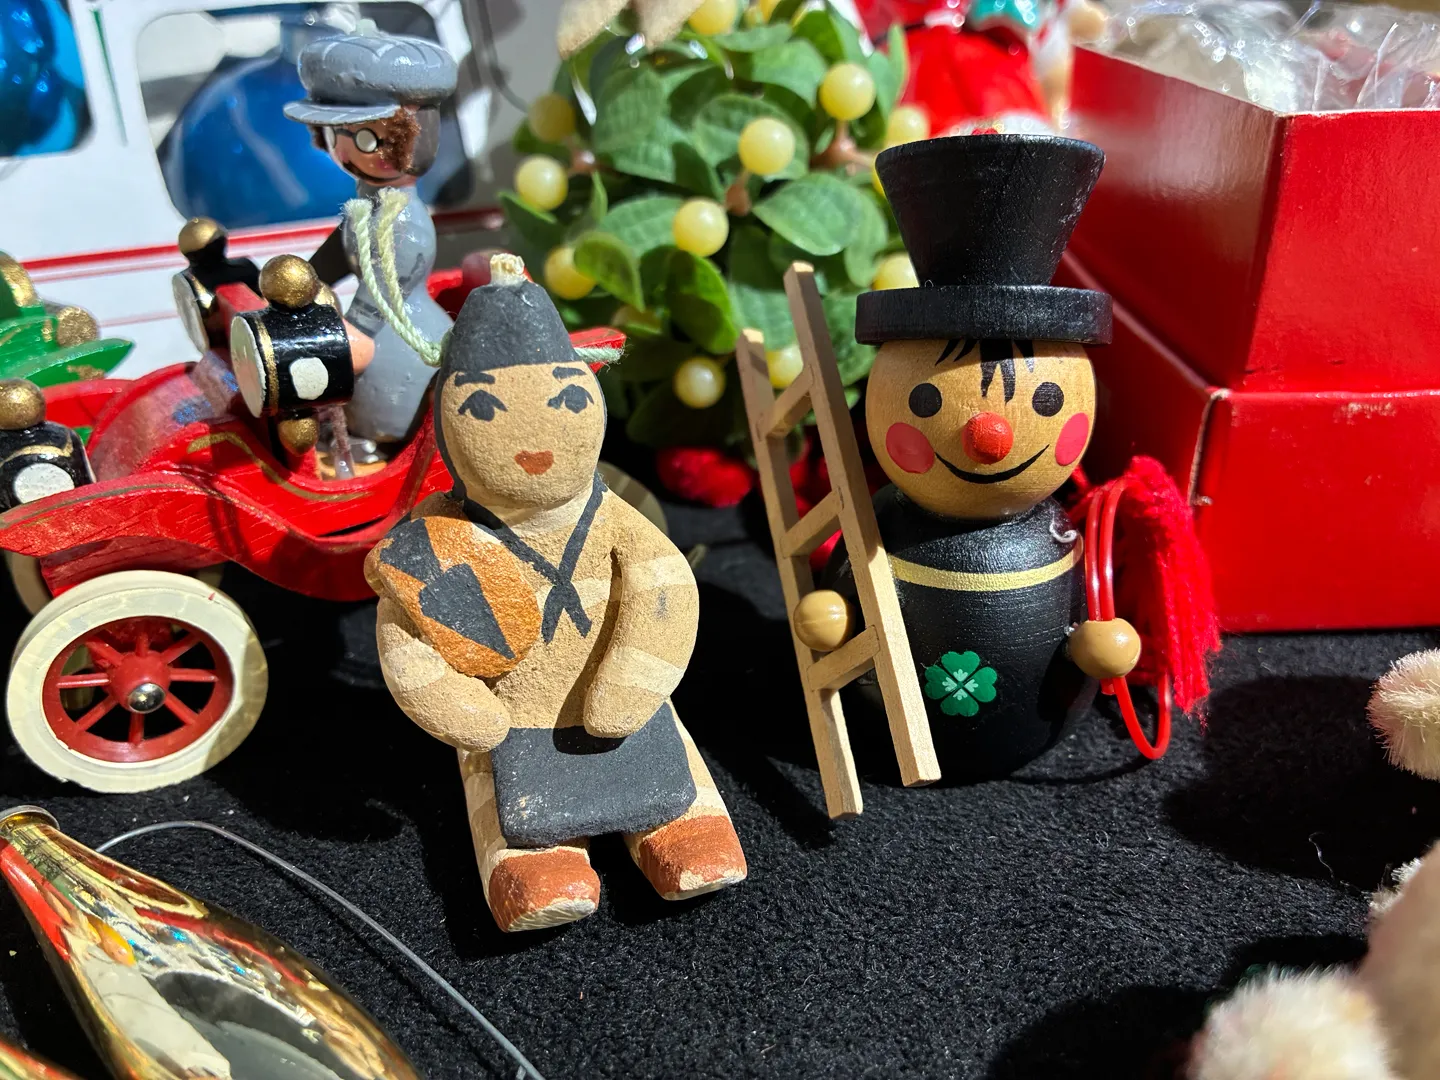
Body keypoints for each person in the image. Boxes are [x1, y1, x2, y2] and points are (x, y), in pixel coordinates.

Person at [283, 24, 457, 453]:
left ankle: (383, 444)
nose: (344, 151)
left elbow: (381, 295)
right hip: (379, 347)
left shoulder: (405, 221)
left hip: (404, 352)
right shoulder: (365, 206)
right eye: (334, 135)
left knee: (376, 395)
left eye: (364, 137)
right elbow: (337, 253)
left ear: (412, 136)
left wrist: (351, 330)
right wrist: (300, 284)